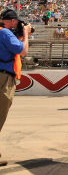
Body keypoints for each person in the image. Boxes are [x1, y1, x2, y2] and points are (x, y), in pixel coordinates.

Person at [0, 9, 30, 167]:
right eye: (16, 22)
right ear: (11, 21)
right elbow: (23, 50)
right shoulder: (5, 33)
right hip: (3, 78)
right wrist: (26, 34)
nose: (17, 24)